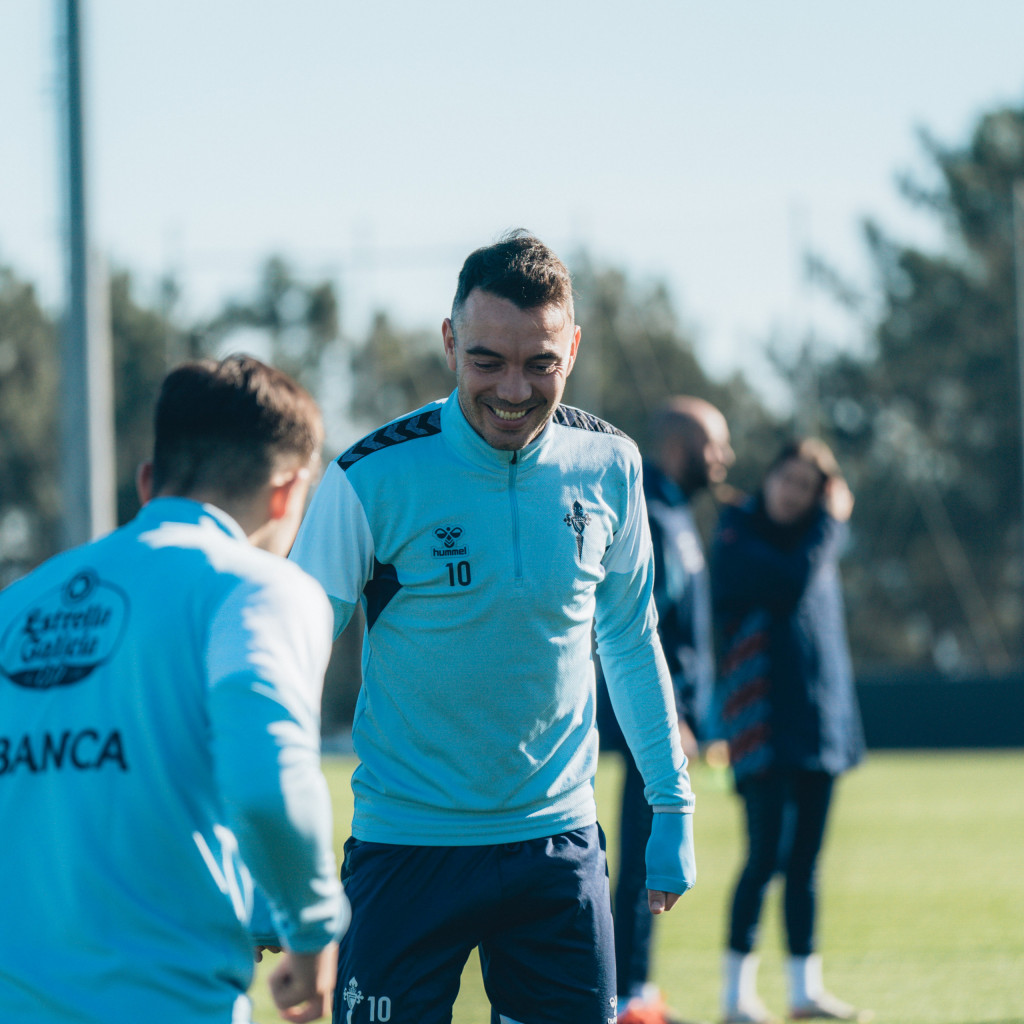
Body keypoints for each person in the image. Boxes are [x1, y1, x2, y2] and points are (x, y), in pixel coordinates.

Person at [288, 230, 696, 1024]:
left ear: (571, 348)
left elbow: (629, 638)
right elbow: (288, 656)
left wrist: (672, 802)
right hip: (406, 848)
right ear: (449, 342)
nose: (514, 389)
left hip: (557, 849)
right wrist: (265, 847)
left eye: (540, 362)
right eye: (487, 361)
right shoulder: (371, 476)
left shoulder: (611, 466)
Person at [0, 355, 349, 1024]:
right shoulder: (257, 588)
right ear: (288, 494)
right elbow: (264, 785)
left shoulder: (17, 607)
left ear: (147, 482)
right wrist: (311, 929)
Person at [710, 438, 870, 1024]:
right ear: (769, 476)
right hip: (762, 727)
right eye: (786, 479)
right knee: (763, 859)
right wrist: (830, 522)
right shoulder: (739, 533)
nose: (791, 492)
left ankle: (804, 992)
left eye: (806, 487)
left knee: (806, 863)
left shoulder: (813, 542)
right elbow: (789, 583)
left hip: (819, 726)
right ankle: (736, 996)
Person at [597, 396, 733, 1024]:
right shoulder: (647, 509)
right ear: (681, 447)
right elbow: (638, 629)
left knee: (650, 850)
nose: (725, 458)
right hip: (646, 716)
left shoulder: (678, 514)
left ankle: (638, 990)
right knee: (642, 855)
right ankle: (624, 996)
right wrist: (671, 713)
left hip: (675, 716)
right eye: (715, 445)